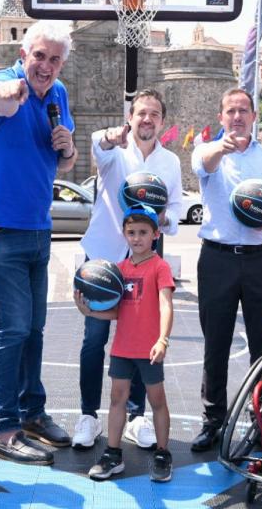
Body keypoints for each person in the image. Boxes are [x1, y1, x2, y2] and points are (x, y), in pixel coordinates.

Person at [0, 21, 78, 465]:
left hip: (37, 226)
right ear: (23, 52)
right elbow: (0, 103)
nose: (46, 66)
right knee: (12, 328)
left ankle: (32, 413)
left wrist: (68, 147)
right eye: (39, 56)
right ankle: (3, 429)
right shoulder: (3, 82)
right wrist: (11, 94)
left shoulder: (59, 95)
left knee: (33, 329)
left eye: (54, 59)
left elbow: (64, 164)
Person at [75, 89, 182, 451]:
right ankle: (88, 415)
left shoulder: (170, 163)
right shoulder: (115, 151)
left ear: (162, 122)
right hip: (105, 258)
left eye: (154, 114)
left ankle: (136, 417)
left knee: (139, 339)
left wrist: (160, 216)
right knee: (94, 339)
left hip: (143, 262)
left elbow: (177, 212)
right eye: (141, 114)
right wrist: (108, 137)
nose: (147, 119)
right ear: (130, 118)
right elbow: (96, 145)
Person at [189, 88, 262, 452]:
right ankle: (213, 421)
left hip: (261, 257)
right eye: (230, 111)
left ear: (253, 116)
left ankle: (260, 418)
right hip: (217, 258)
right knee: (215, 343)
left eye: (243, 111)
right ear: (221, 117)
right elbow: (201, 165)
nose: (237, 116)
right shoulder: (208, 152)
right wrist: (221, 147)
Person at [74, 206, 175, 483]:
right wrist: (88, 311)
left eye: (143, 233)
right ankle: (113, 453)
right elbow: (118, 312)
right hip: (122, 348)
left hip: (149, 348)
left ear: (155, 234)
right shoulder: (119, 270)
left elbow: (166, 305)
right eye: (131, 233)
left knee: (157, 401)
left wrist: (162, 339)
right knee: (117, 399)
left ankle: (163, 453)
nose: (137, 238)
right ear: (124, 234)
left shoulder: (160, 267)